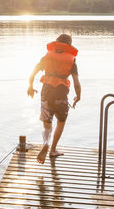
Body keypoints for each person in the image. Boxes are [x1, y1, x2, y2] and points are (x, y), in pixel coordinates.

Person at [27, 34, 81, 164]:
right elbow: (76, 82)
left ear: (56, 44)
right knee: (61, 122)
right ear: (69, 45)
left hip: (46, 93)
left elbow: (33, 71)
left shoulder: (47, 56)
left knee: (47, 124)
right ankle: (53, 149)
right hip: (60, 95)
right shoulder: (71, 60)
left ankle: (46, 143)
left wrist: (30, 86)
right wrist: (78, 96)